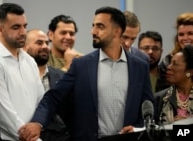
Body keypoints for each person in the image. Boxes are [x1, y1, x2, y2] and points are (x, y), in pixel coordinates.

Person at [19, 6, 154, 141]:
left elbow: (148, 105)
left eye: (100, 26)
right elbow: (53, 97)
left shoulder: (140, 66)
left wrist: (138, 129)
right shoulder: (81, 65)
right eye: (93, 26)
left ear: (117, 31)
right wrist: (37, 122)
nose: (93, 31)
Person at [0, 3, 45, 140]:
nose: (23, 32)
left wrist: (38, 124)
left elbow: (41, 101)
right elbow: (5, 116)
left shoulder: (29, 61)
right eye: (16, 27)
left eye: (24, 26)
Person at [24, 29, 70, 141]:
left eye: (46, 43)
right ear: (24, 47)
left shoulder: (62, 76)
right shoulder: (17, 76)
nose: (45, 47)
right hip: (26, 135)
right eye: (39, 43)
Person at [155, 45, 193, 125]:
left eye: (175, 64)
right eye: (170, 63)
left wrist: (188, 123)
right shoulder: (159, 98)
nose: (169, 67)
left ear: (190, 71)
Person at [158, 12, 193, 92]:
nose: (185, 38)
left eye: (190, 33)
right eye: (181, 34)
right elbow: (162, 94)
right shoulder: (167, 62)